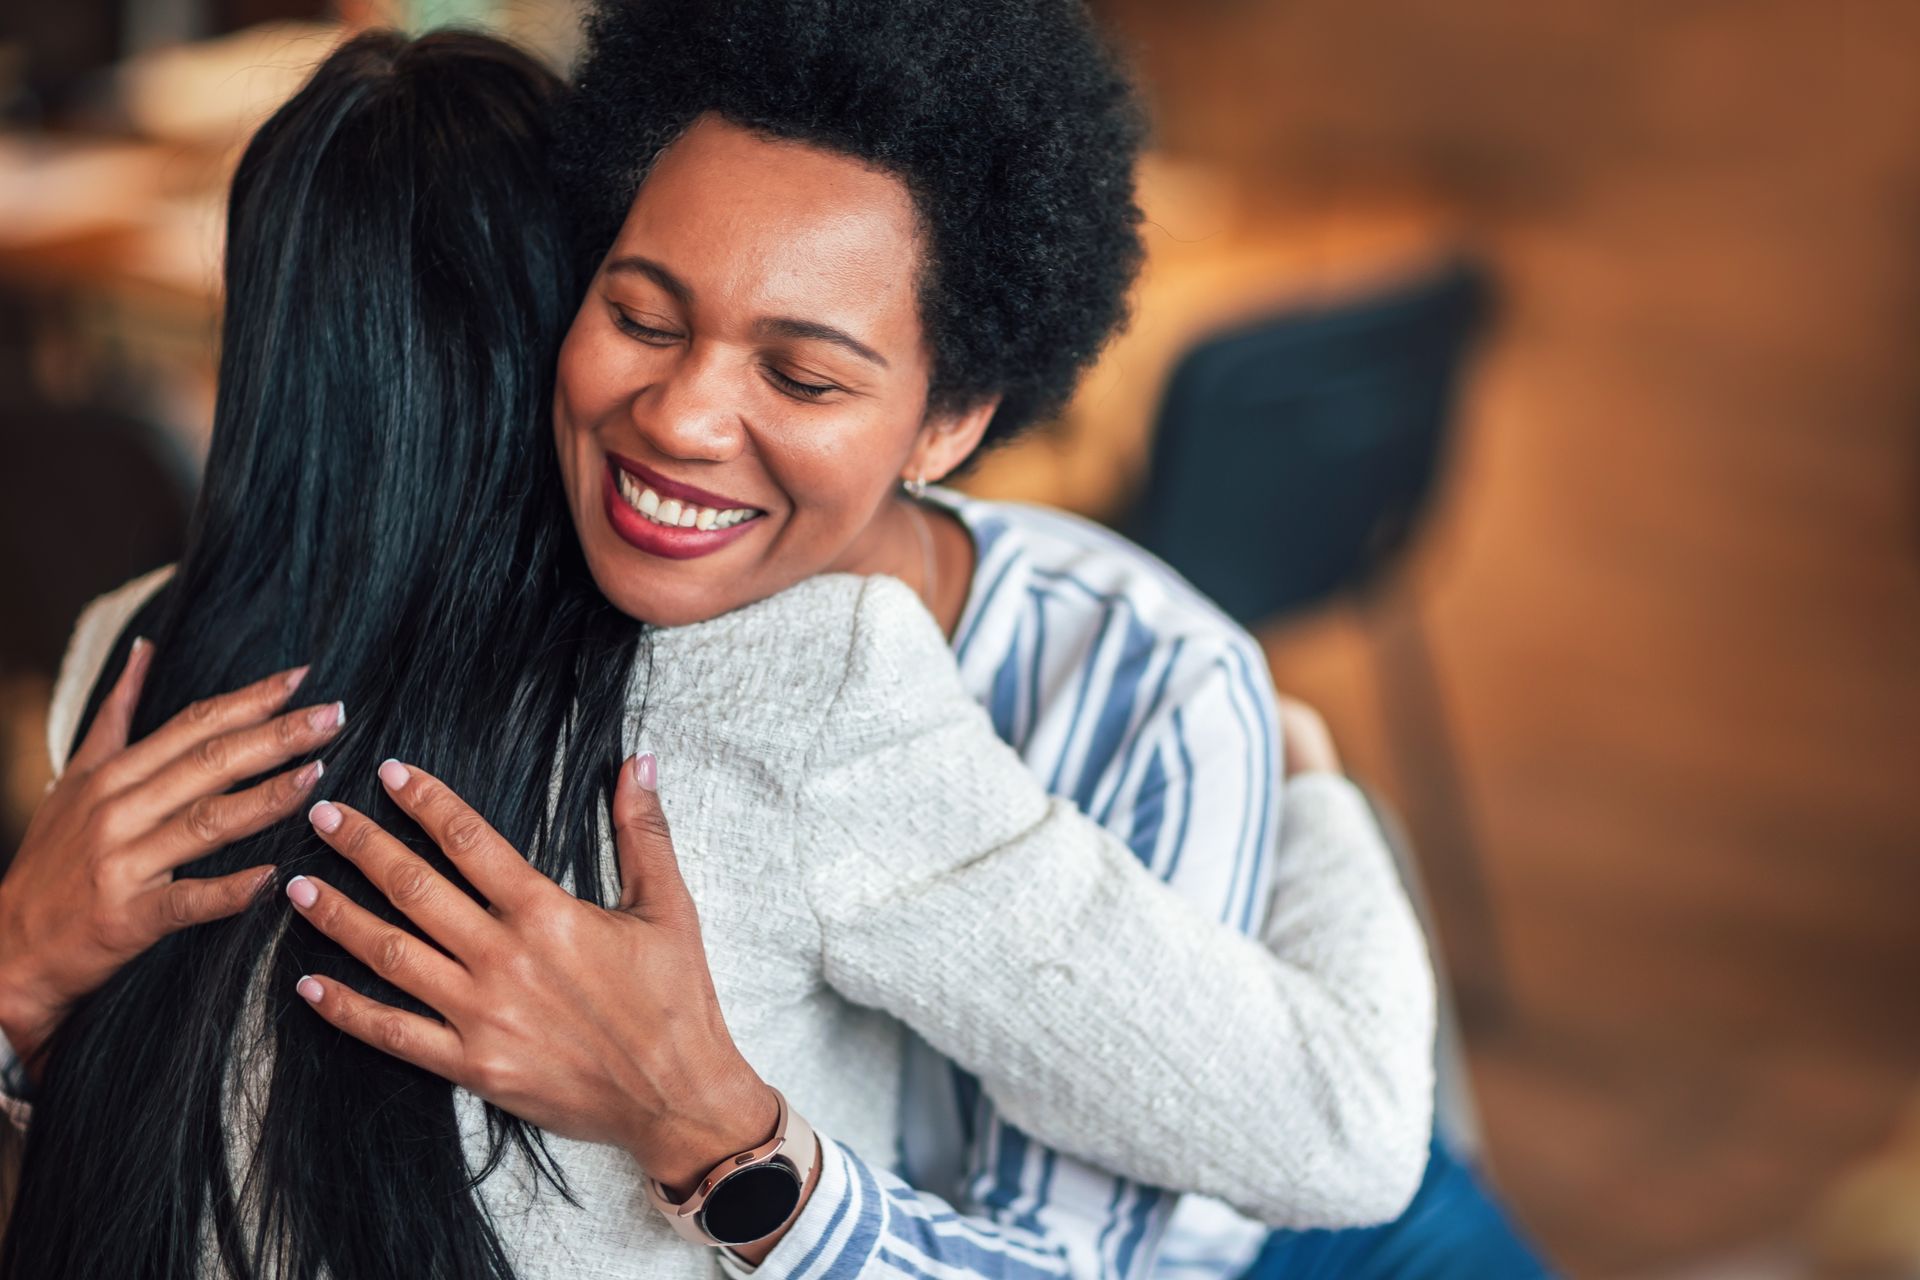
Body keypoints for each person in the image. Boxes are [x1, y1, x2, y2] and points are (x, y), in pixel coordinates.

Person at [0, 24, 1441, 1280]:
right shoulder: (807, 684)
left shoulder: (123, 659)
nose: (684, 418)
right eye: (638, 314)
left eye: (803, 373)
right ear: (559, 314)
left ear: (956, 425)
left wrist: (707, 1127)